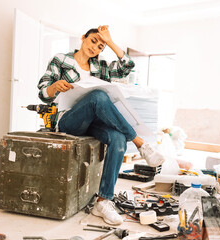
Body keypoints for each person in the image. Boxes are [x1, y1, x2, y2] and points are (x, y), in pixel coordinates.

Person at [37, 25, 165, 225]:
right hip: (68, 120)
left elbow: (127, 66)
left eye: (100, 45)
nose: (95, 47)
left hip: (93, 122)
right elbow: (43, 93)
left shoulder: (100, 67)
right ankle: (140, 143)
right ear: (83, 38)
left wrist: (111, 41)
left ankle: (103, 201)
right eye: (93, 40)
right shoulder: (61, 60)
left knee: (118, 138)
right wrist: (54, 87)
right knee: (97, 96)